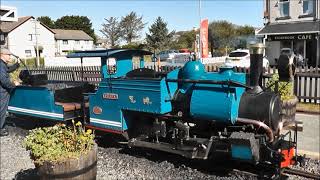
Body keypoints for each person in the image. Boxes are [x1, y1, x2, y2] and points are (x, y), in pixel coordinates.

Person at [0, 47, 20, 136]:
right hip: (2, 92)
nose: (9, 57)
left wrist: (17, 65)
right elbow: (3, 80)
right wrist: (13, 84)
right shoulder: (0, 65)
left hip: (3, 91)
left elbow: (8, 70)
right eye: (8, 55)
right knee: (2, 110)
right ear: (3, 55)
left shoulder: (2, 64)